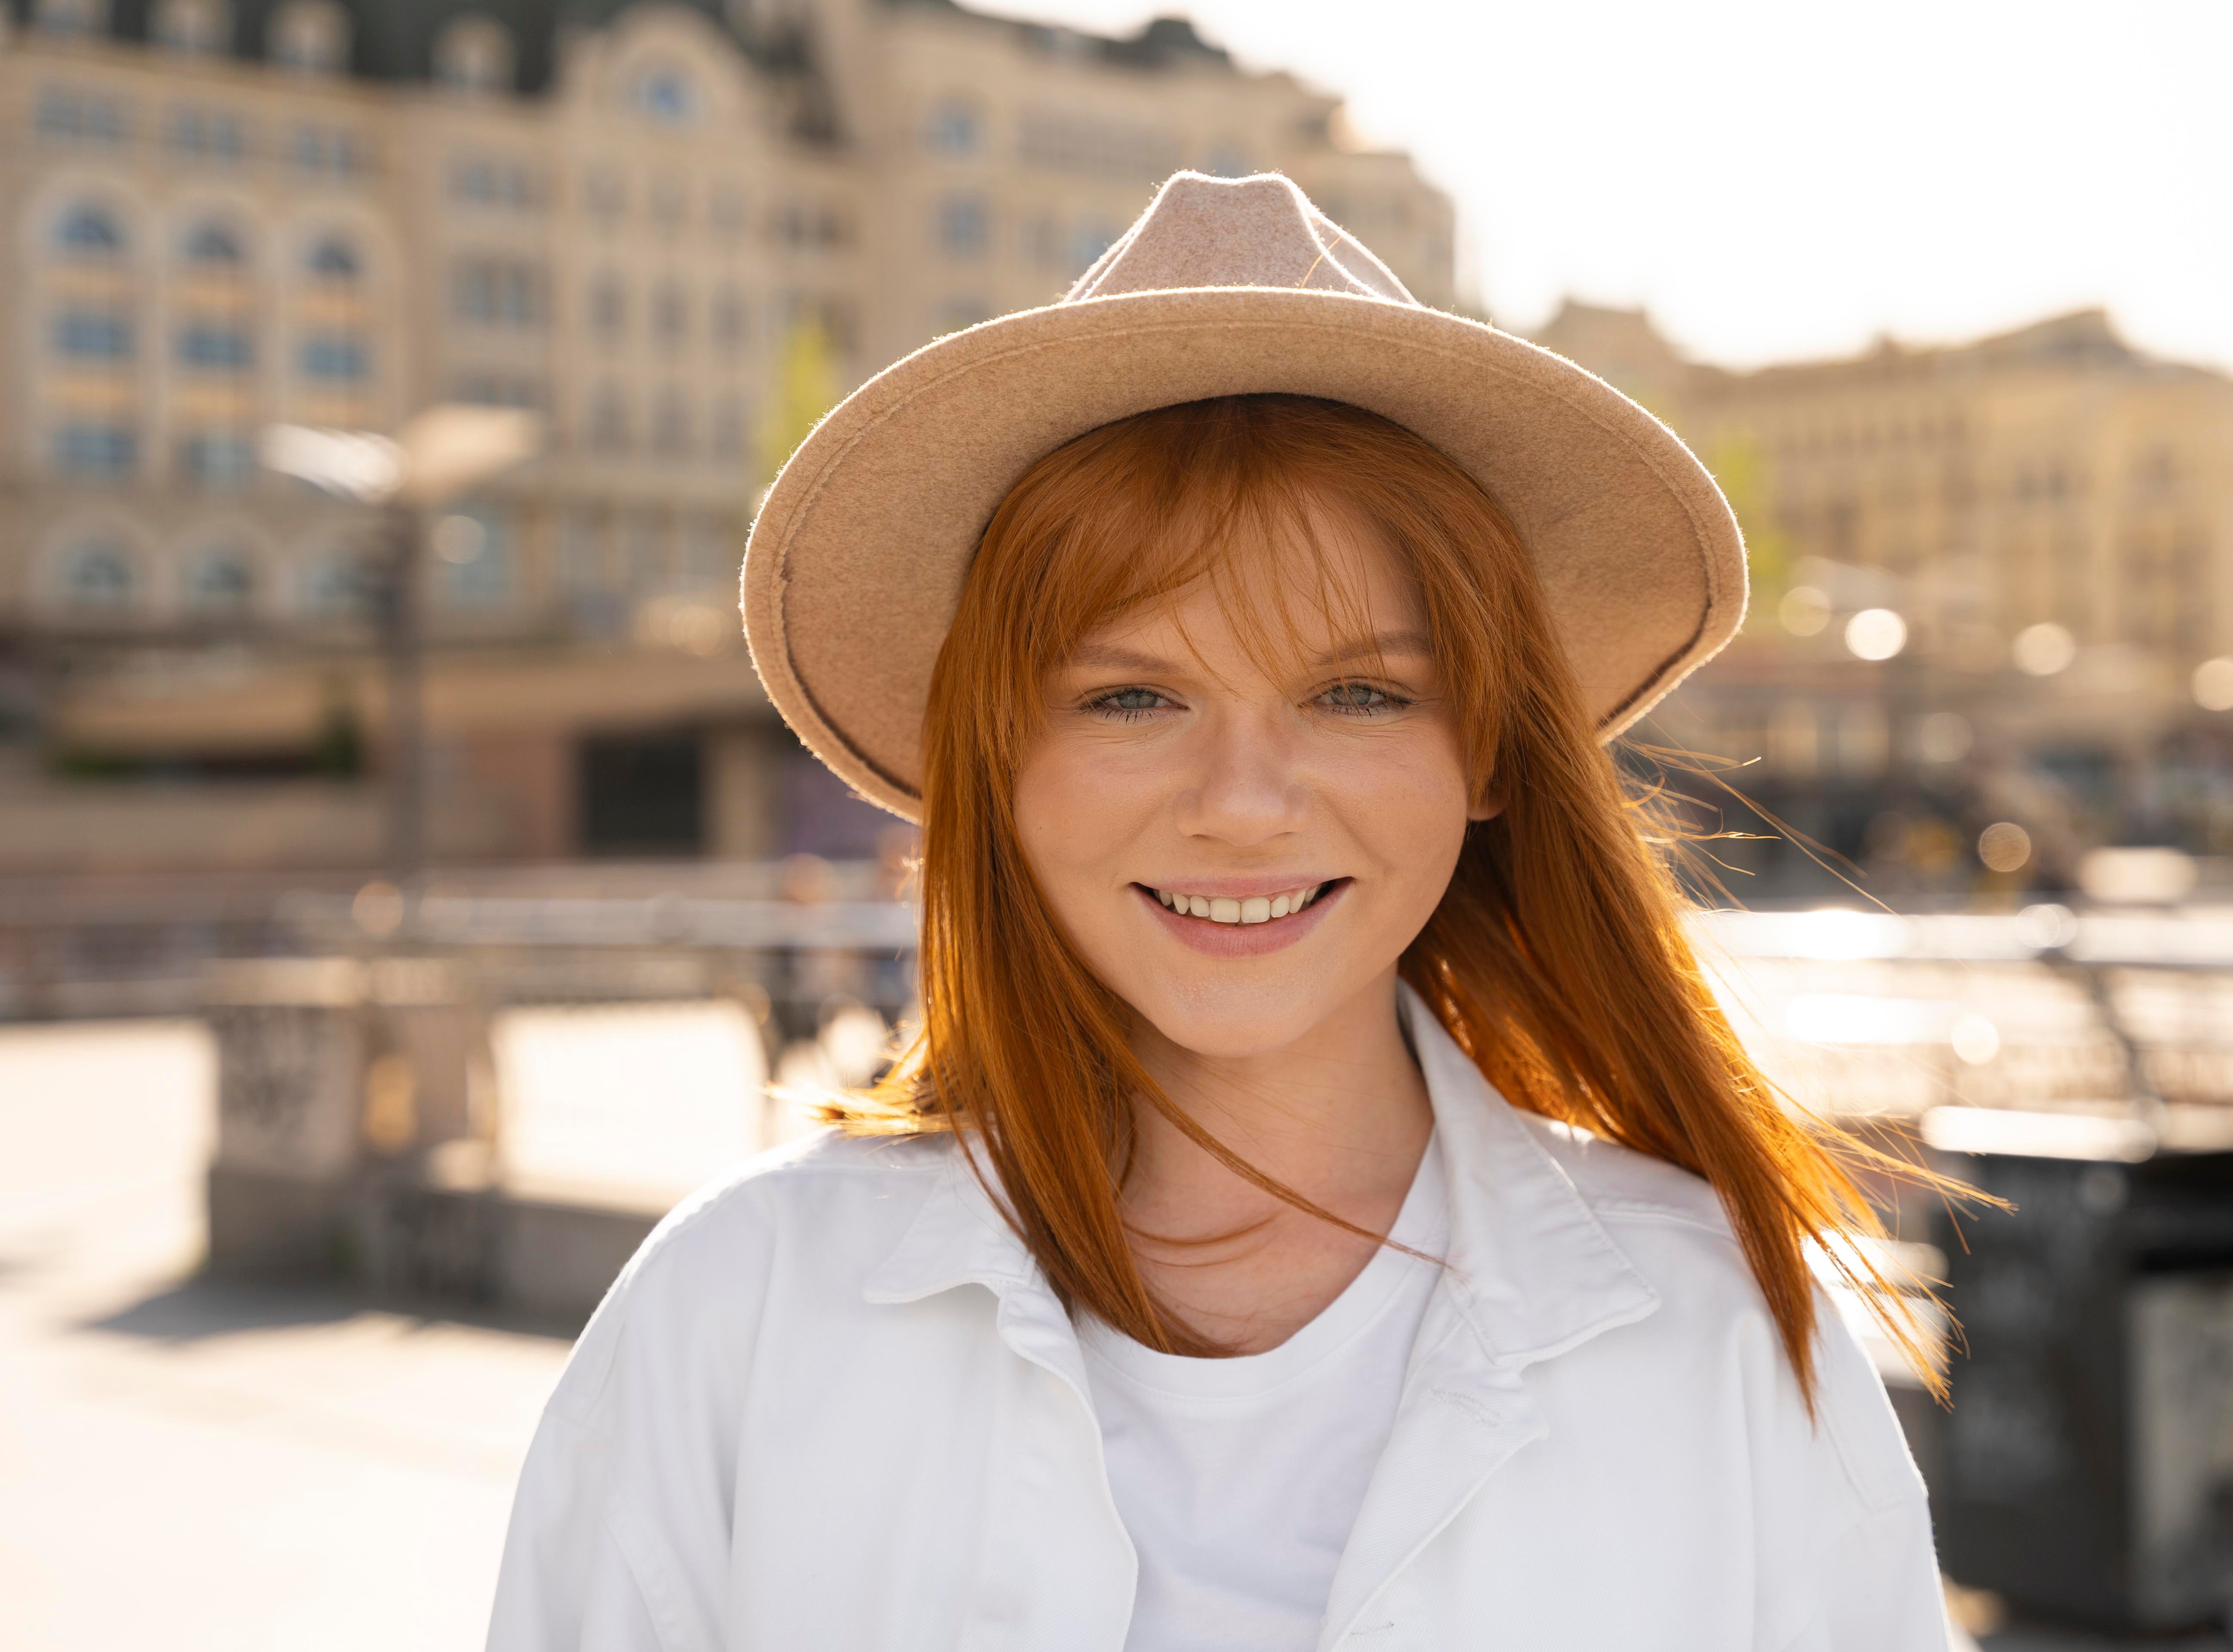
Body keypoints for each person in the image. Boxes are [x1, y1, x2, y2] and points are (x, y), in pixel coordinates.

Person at [487, 171, 1953, 1651]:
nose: (1243, 800)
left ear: (1492, 748)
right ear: (998, 756)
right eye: (1131, 695)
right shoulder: (733, 1312)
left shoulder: (1718, 1322)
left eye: (1357, 692)